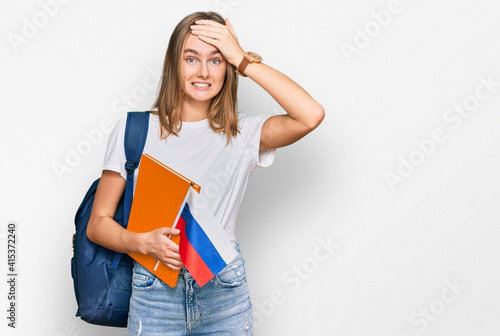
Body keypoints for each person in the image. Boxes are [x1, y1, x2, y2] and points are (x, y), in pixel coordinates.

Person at [87, 11, 324, 336]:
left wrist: (242, 59)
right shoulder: (135, 129)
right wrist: (140, 242)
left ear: (228, 68)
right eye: (191, 58)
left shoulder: (243, 133)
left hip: (223, 288)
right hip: (154, 289)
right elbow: (97, 224)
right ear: (175, 64)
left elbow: (310, 115)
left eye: (216, 60)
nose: (203, 72)